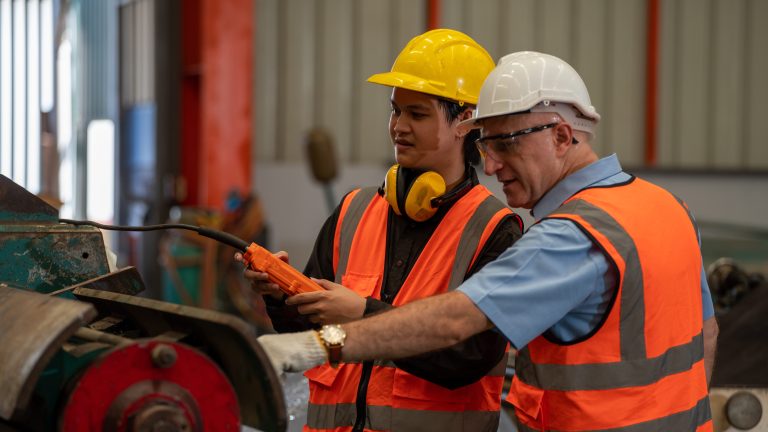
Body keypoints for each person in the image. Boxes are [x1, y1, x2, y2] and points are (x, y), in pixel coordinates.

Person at [257, 51, 719, 432]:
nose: (493, 166)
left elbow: (456, 323)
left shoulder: (569, 237)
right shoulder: (666, 207)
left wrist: (315, 346)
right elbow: (707, 335)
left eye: (507, 144)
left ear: (561, 135)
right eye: (486, 147)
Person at [237, 29, 524, 432]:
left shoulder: (494, 230)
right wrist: (280, 297)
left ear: (464, 121)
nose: (398, 127)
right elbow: (307, 334)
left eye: (417, 114)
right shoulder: (354, 212)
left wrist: (363, 315)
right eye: (395, 110)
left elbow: (469, 357)